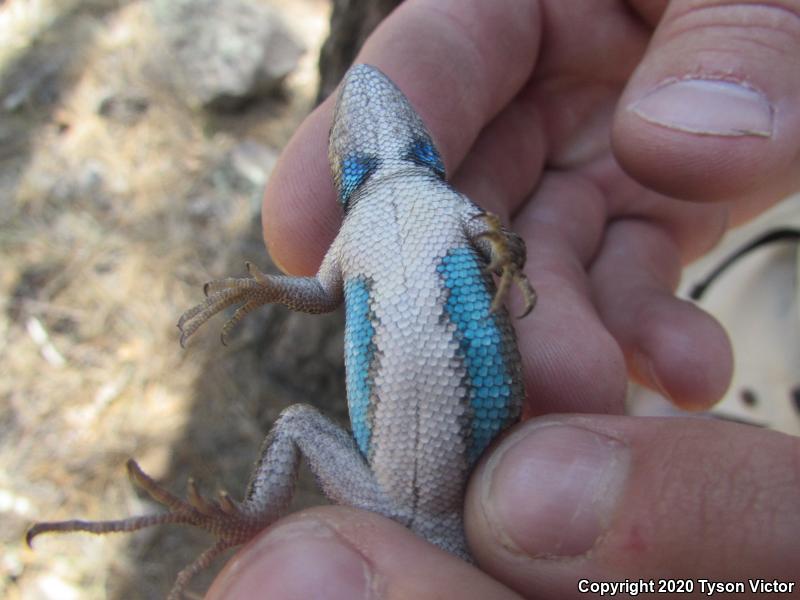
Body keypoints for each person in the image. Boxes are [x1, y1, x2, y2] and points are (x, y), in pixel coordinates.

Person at [207, 1, 800, 597]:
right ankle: (254, 516)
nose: (368, 93)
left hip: (472, 493)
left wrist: (504, 253)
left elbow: (506, 247)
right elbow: (317, 293)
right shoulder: (353, 233)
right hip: (403, 494)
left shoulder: (447, 203)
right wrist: (262, 288)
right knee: (297, 427)